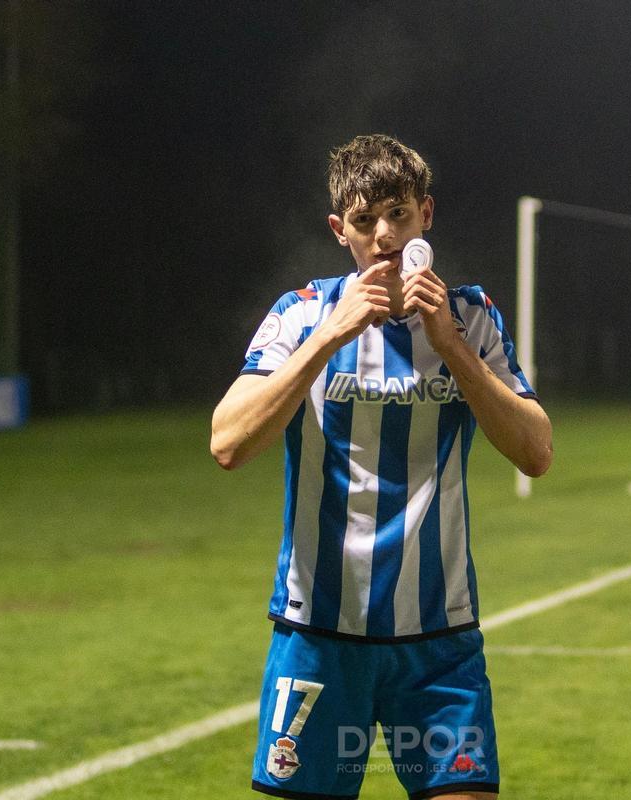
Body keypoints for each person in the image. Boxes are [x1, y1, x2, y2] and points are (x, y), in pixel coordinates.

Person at [210, 133, 552, 800]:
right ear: (342, 231)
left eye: (397, 214)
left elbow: (535, 452)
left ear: (426, 215)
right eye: (365, 222)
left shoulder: (471, 318)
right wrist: (331, 336)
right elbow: (228, 443)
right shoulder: (302, 312)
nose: (385, 235)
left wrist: (452, 351)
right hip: (318, 637)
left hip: (438, 643)